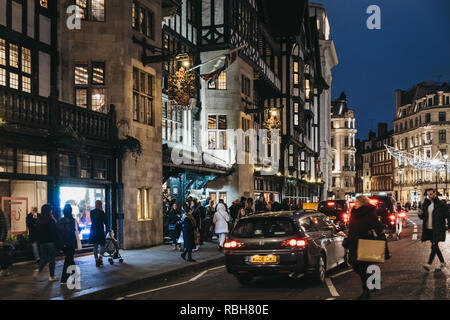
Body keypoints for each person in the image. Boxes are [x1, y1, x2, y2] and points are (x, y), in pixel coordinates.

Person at [346, 195, 383, 300]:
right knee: (356, 267)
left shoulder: (369, 213)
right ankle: (374, 280)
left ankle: (366, 292)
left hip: (365, 243)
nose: (355, 203)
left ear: (362, 202)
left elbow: (379, 227)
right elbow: (352, 228)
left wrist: (370, 232)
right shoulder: (354, 213)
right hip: (354, 243)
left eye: (357, 202)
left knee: (362, 268)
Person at [418, 188, 450, 272]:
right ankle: (442, 262)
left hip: (437, 228)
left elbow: (448, 215)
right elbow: (423, 217)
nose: (429, 196)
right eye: (428, 194)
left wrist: (449, 226)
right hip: (429, 229)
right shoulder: (426, 204)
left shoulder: (441, 204)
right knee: (435, 246)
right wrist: (420, 214)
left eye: (431, 194)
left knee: (434, 245)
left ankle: (428, 264)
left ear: (435, 193)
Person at [33, 204, 58, 282]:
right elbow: (55, 230)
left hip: (42, 243)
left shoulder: (39, 220)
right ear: (49, 210)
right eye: (51, 210)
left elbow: (36, 231)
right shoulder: (51, 219)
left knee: (44, 259)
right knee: (51, 260)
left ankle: (38, 270)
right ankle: (51, 276)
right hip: (50, 242)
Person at [56, 204, 79, 285]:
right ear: (71, 211)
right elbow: (77, 230)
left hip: (63, 244)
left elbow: (57, 232)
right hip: (71, 243)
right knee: (68, 260)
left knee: (69, 259)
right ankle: (64, 279)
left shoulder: (60, 221)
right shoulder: (73, 220)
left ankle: (75, 276)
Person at [89, 200, 110, 267]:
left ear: (95, 205)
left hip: (93, 231)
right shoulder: (102, 212)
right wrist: (109, 228)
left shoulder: (92, 212)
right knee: (103, 245)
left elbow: (93, 220)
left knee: (95, 246)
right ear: (100, 205)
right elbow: (105, 222)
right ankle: (100, 258)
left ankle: (96, 260)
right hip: (100, 231)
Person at [0, 208, 12, 277]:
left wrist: (1, 240)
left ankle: (5, 269)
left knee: (2, 254)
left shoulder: (0, 213)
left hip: (0, 239)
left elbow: (3, 226)